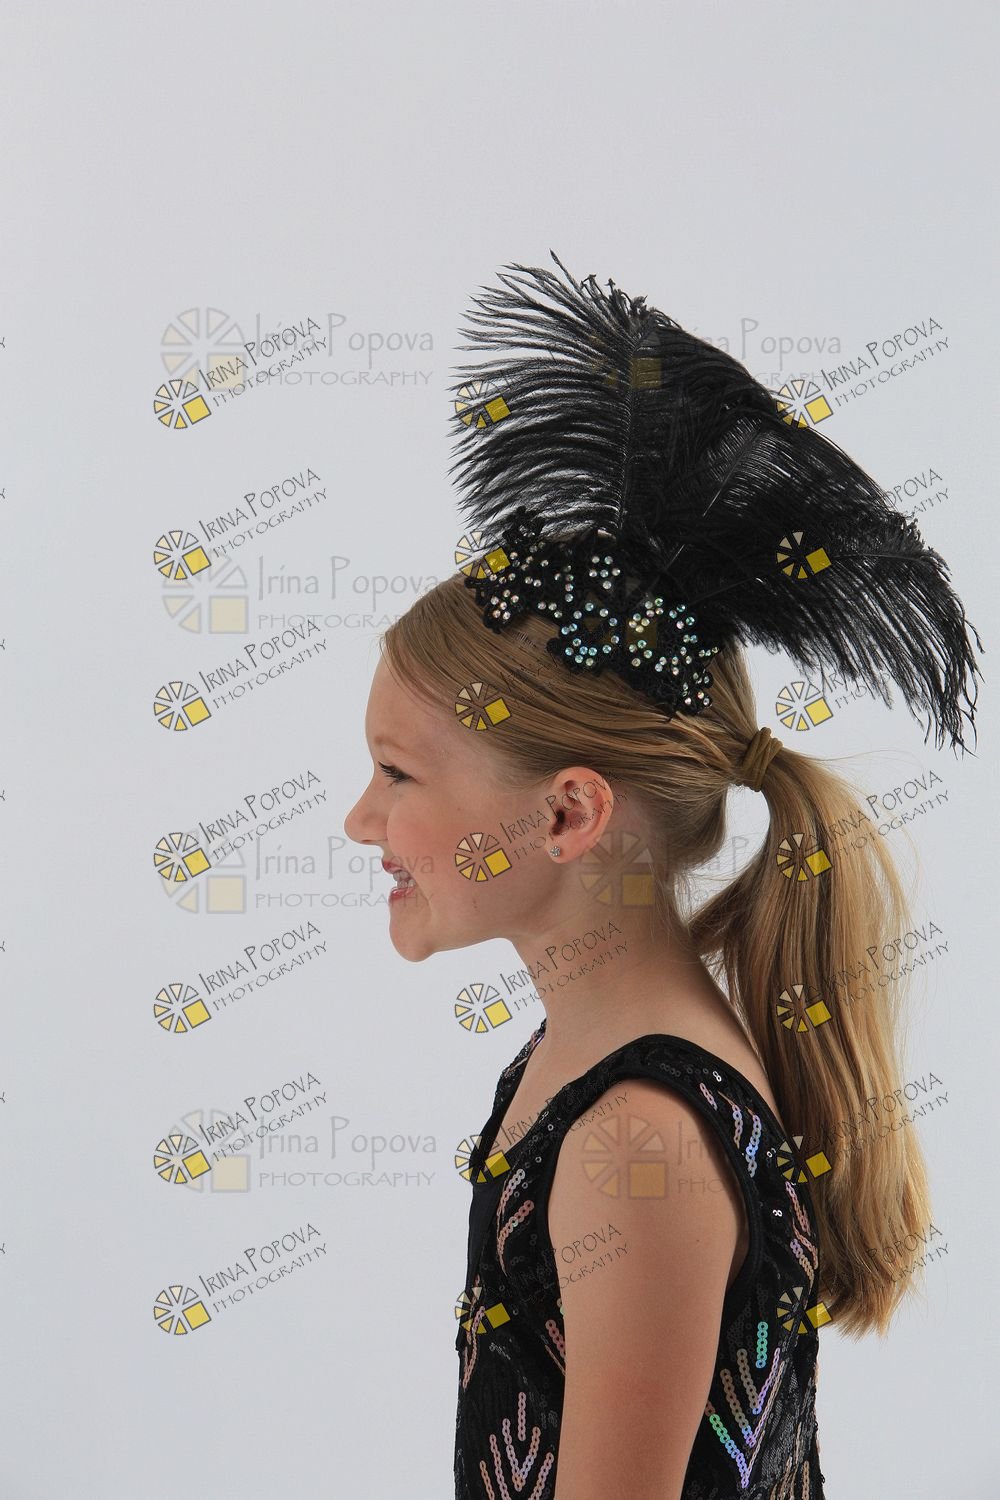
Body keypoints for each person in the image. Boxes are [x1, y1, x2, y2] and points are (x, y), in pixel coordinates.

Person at [344, 254, 983, 1499]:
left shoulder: (633, 1143)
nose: (363, 819)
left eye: (397, 774)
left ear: (568, 813)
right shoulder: (582, 1074)